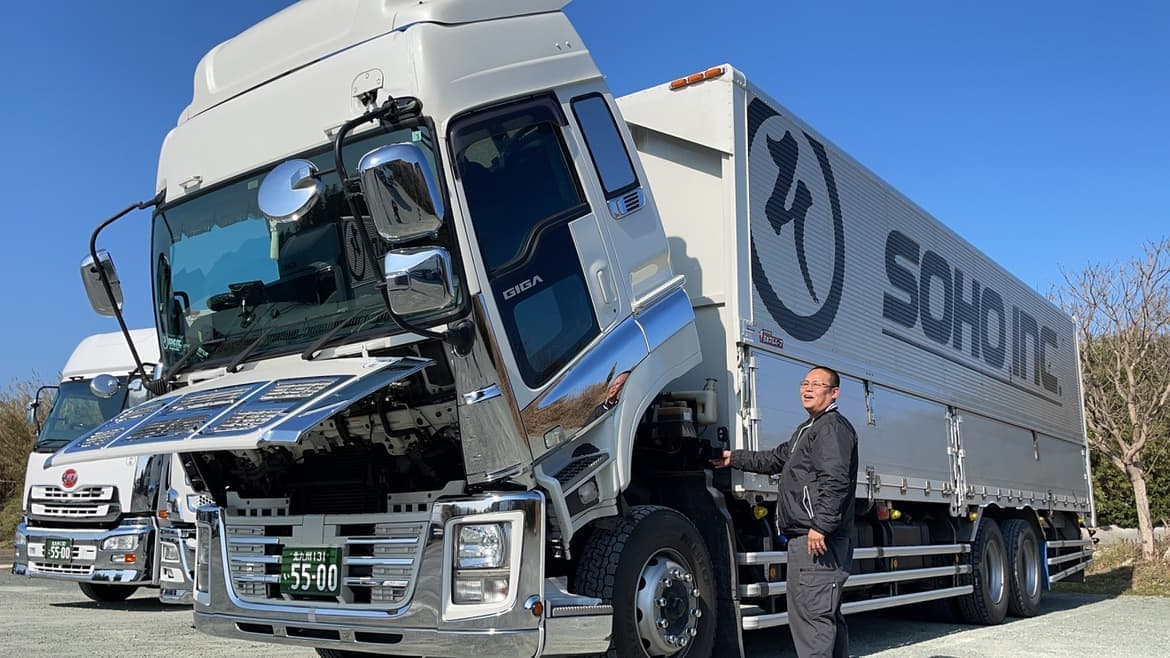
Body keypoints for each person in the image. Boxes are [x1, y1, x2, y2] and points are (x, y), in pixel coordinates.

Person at [710, 365, 858, 658]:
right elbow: (776, 459)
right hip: (810, 538)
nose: (808, 388)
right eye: (805, 383)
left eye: (817, 384)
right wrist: (733, 458)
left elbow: (835, 480)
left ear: (834, 393)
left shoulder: (831, 427)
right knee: (822, 616)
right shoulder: (810, 428)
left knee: (812, 618)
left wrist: (821, 526)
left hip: (817, 540)